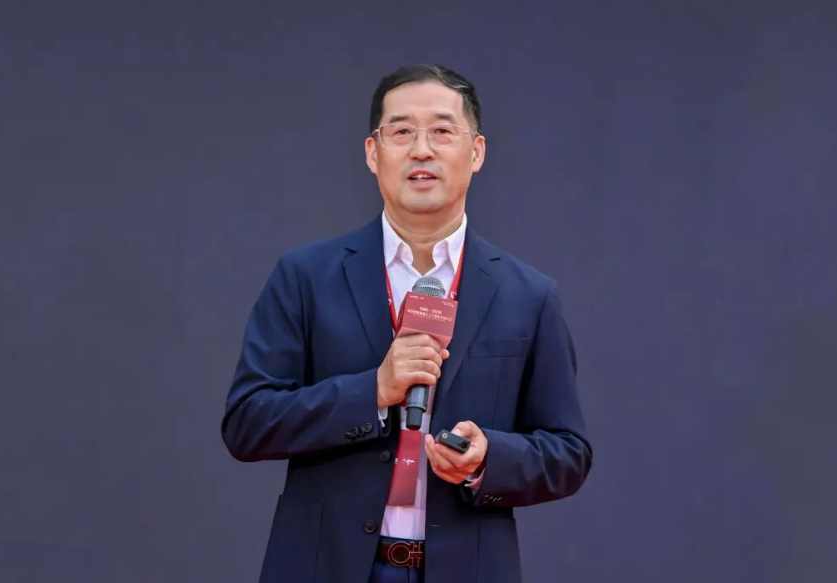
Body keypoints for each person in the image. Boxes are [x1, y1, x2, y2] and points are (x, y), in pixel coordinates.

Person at [221, 63, 592, 583]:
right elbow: (247, 422)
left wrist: (490, 459)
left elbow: (568, 452)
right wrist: (373, 390)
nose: (421, 150)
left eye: (442, 131)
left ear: (476, 152)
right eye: (401, 132)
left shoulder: (527, 294)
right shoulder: (306, 276)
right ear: (373, 154)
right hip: (325, 567)